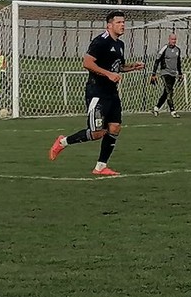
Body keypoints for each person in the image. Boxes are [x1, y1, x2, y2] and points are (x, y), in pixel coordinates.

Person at [48, 11, 145, 175]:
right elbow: (87, 63)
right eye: (119, 22)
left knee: (114, 128)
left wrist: (132, 67)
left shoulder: (119, 44)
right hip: (97, 92)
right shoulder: (101, 41)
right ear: (109, 25)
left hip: (112, 93)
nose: (122, 25)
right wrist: (108, 74)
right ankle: (63, 142)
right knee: (97, 133)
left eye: (124, 22)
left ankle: (100, 167)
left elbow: (117, 67)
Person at [150, 33, 183, 118]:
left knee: (166, 92)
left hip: (173, 74)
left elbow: (178, 62)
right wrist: (154, 73)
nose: (174, 41)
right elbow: (157, 60)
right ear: (169, 39)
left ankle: (156, 108)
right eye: (172, 39)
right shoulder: (164, 48)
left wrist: (180, 73)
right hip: (165, 73)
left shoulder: (177, 50)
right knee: (169, 91)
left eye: (175, 39)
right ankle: (173, 111)